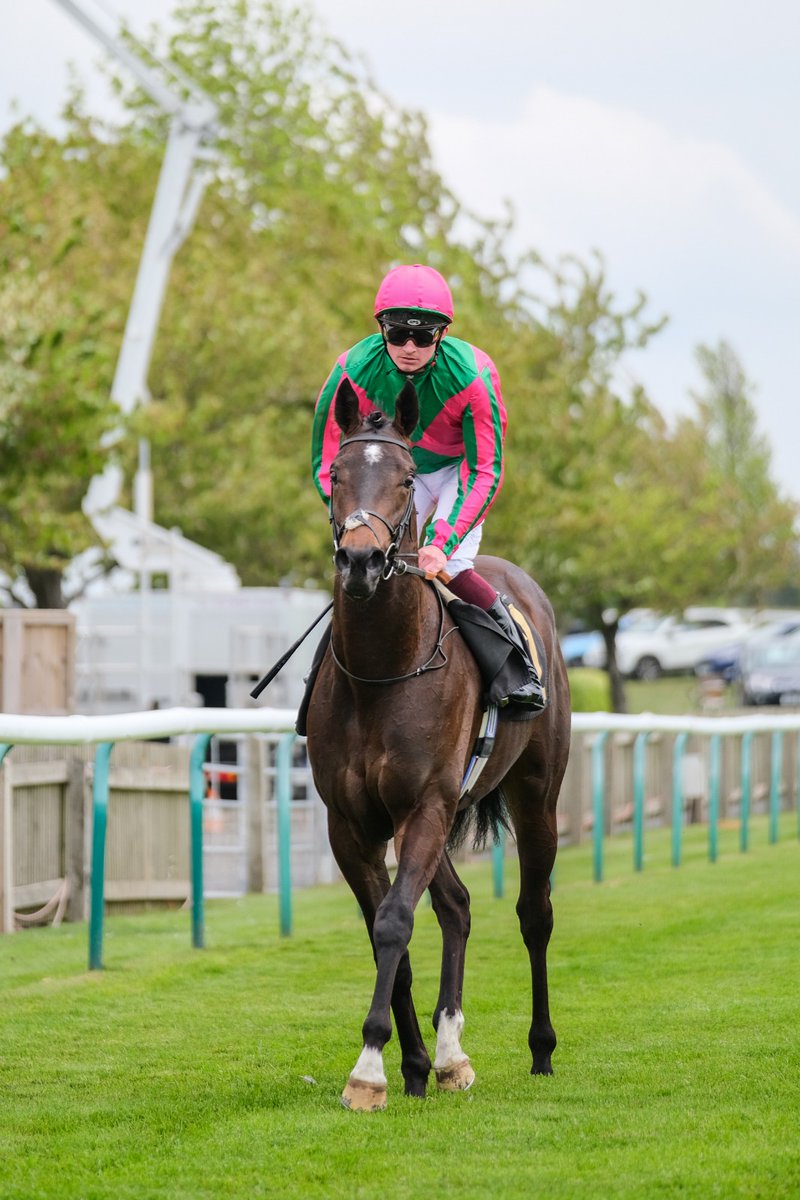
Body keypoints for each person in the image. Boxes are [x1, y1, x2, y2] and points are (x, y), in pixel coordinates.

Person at [307, 262, 545, 718]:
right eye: (398, 335)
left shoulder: (474, 376)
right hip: (389, 472)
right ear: (381, 329)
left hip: (460, 471)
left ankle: (520, 666)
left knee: (448, 565)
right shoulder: (350, 369)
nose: (410, 347)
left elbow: (486, 469)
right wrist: (351, 522)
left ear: (442, 335)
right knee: (364, 562)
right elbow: (326, 461)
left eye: (424, 336)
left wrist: (440, 541)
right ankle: (319, 681)